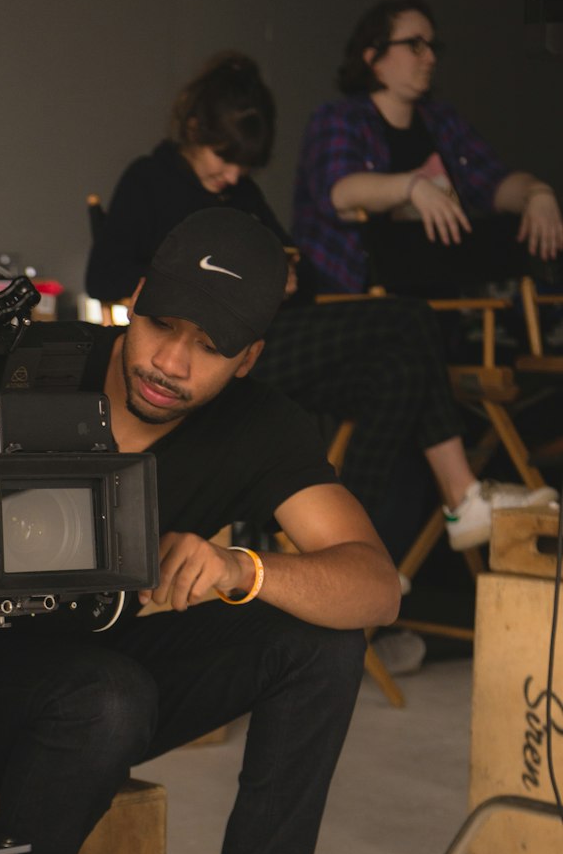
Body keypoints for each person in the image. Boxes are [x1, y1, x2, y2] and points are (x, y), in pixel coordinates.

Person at [0, 208, 401, 854]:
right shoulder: (24, 362)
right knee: (106, 694)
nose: (172, 363)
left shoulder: (261, 424)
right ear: (132, 302)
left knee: (320, 639)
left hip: (101, 674)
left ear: (249, 358)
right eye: (162, 326)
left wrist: (241, 567)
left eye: (211, 348)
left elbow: (376, 587)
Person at [85, 51, 556, 557]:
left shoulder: (241, 193)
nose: (231, 174)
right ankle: (455, 498)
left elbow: (302, 271)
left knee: (396, 372)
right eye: (223, 157)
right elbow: (102, 275)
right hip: (209, 360)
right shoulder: (151, 179)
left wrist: (286, 277)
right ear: (195, 128)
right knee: (410, 319)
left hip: (257, 349)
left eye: (244, 164)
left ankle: (352, 556)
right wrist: (184, 284)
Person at [292, 0, 563, 296]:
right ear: (373, 58)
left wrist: (536, 193)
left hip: (439, 297)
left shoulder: (443, 121)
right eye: (415, 45)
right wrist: (412, 187)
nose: (430, 58)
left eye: (432, 47)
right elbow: (339, 192)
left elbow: (493, 181)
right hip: (355, 299)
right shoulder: (339, 118)